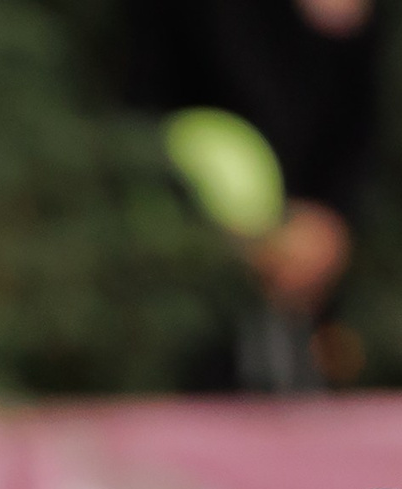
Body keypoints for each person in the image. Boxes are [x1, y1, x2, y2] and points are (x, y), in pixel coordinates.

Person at [124, 0, 381, 390]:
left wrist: (331, 218)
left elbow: (361, 118)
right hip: (189, 270)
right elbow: (140, 108)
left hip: (315, 270)